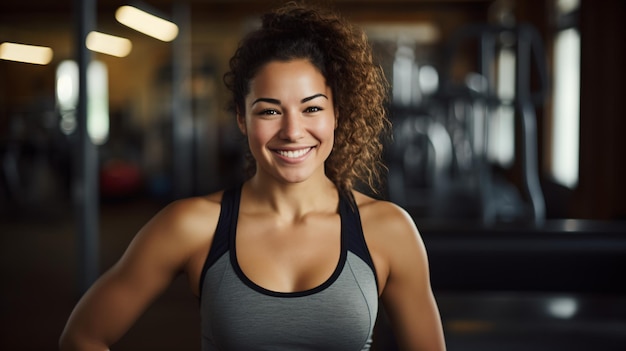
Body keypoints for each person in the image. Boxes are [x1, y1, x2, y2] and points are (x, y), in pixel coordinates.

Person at [59, 2, 446, 350]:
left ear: (337, 116)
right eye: (270, 111)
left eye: (311, 109)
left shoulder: (389, 230)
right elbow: (83, 336)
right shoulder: (192, 226)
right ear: (242, 121)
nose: (293, 131)